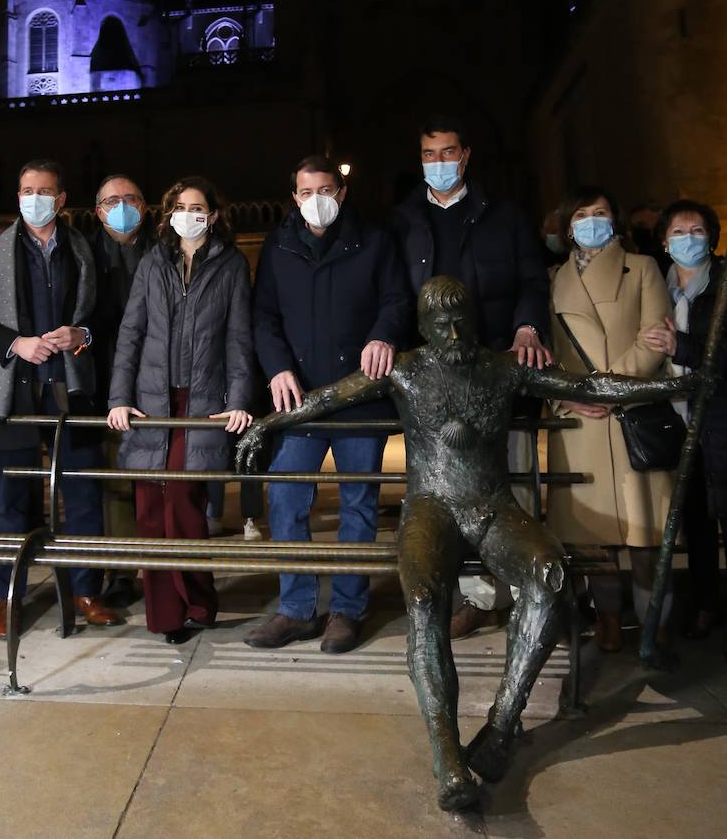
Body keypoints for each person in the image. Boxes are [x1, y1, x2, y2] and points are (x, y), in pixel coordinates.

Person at [236, 276, 694, 812]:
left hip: (492, 505)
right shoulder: (406, 370)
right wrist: (266, 424)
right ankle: (447, 753)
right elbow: (328, 397)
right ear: (423, 327)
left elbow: (590, 387)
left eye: (462, 322)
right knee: (425, 599)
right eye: (441, 324)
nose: (453, 333)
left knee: (550, 574)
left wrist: (670, 387)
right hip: (431, 506)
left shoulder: (502, 368)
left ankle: (502, 723)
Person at [391, 116, 552, 637]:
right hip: (439, 376)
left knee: (504, 485)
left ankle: (516, 586)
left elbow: (531, 278)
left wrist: (526, 328)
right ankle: (473, 598)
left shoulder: (503, 216)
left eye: (447, 152)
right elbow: (396, 293)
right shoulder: (405, 220)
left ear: (466, 155)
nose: (438, 162)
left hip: (496, 366)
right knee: (445, 490)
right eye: (429, 154)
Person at [245, 155, 408, 655]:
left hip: (360, 395)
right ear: (294, 197)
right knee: (286, 500)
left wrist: (383, 336)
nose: (317, 199)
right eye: (306, 191)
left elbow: (397, 300)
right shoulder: (279, 245)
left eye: (327, 189)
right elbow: (264, 317)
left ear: (341, 192)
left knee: (358, 504)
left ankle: (346, 610)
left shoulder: (375, 240)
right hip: (302, 401)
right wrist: (277, 369)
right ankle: (296, 609)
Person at [0, 159, 122, 640]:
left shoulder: (85, 249)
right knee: (9, 505)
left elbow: (108, 313)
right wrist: (15, 343)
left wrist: (82, 333)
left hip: (72, 391)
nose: (34, 197)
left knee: (84, 498)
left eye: (44, 190)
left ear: (62, 198)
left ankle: (85, 591)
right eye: (26, 189)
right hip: (11, 392)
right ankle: (8, 599)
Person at [108, 176, 254, 643]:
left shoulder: (230, 265)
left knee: (186, 508)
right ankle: (166, 614)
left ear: (212, 214)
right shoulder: (154, 262)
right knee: (151, 509)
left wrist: (239, 401)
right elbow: (130, 332)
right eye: (179, 206)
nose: (187, 214)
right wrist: (119, 397)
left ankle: (199, 603)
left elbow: (238, 339)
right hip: (152, 400)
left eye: (197, 207)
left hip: (201, 402)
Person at [545, 186, 674, 651]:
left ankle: (655, 620)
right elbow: (547, 355)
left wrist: (612, 386)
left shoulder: (641, 268)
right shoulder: (553, 277)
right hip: (580, 421)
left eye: (600, 213)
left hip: (630, 412)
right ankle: (609, 619)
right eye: (582, 214)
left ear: (615, 220)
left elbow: (655, 338)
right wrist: (567, 398)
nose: (591, 221)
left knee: (645, 536)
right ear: (567, 225)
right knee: (591, 538)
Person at [642, 200, 726, 639]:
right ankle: (704, 603)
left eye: (697, 230)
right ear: (664, 240)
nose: (688, 238)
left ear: (711, 237)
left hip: (720, 420)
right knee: (693, 521)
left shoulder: (724, 284)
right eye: (678, 231)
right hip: (677, 421)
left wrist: (684, 348)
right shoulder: (657, 284)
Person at [89, 173, 154, 606]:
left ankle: (167, 568)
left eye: (131, 198)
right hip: (109, 378)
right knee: (117, 481)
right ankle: (122, 572)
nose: (122, 206)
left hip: (161, 376)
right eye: (112, 200)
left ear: (145, 206)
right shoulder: (85, 253)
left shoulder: (164, 248)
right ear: (98, 210)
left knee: (165, 480)